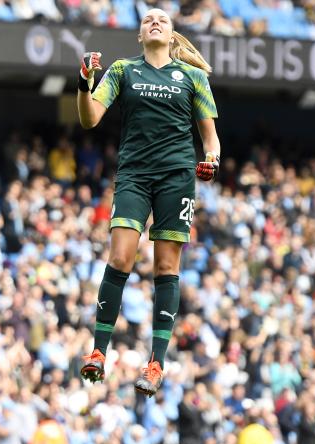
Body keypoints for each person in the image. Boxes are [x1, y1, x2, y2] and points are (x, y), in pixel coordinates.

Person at [76, 7, 221, 397]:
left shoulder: (193, 77)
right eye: (147, 20)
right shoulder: (124, 69)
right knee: (121, 256)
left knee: (166, 265)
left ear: (171, 34)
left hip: (176, 177)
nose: (154, 21)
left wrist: (212, 160)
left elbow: (210, 137)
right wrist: (84, 82)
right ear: (140, 35)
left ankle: (156, 362)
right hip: (135, 176)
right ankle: (98, 352)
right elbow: (90, 118)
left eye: (161, 19)